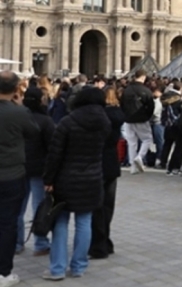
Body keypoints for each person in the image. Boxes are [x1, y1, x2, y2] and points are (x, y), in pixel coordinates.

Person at [42, 86, 111, 281]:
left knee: (60, 222)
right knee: (84, 222)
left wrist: (48, 179)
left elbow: (54, 154)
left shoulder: (67, 121)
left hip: (66, 178)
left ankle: (57, 269)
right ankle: (79, 266)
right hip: (92, 177)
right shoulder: (104, 122)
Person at [0, 72, 39, 287]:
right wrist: (21, 105)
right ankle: (3, 272)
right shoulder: (20, 113)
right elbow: (34, 132)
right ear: (16, 89)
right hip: (11, 175)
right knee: (7, 223)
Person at [16, 87, 54, 257]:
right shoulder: (46, 121)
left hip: (19, 167)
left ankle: (16, 243)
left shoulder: (17, 118)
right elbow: (52, 147)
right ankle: (40, 243)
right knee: (40, 207)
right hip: (39, 169)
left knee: (17, 208)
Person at [88, 87, 125, 260]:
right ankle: (106, 240)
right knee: (108, 206)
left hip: (96, 163)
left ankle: (98, 244)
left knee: (97, 207)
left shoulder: (97, 118)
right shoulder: (118, 116)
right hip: (112, 163)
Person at [121, 70, 155, 174]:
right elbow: (151, 106)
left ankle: (132, 166)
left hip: (128, 119)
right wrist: (147, 116)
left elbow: (122, 104)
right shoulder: (146, 90)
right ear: (143, 77)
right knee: (147, 139)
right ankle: (139, 157)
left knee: (131, 143)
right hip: (141, 119)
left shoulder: (127, 90)